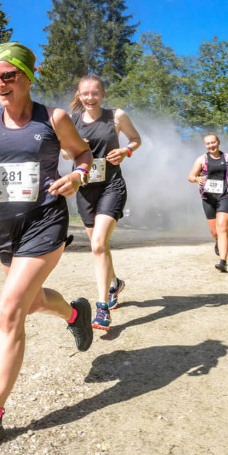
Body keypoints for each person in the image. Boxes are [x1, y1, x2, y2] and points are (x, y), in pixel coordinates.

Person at [0, 42, 94, 455]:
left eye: (7, 76)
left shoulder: (55, 118)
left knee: (9, 309)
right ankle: (74, 313)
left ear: (29, 76)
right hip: (5, 225)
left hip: (46, 219)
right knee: (28, 304)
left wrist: (78, 176)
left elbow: (84, 156)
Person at [67, 74, 142, 331]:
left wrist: (126, 151)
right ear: (79, 94)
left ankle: (102, 310)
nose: (90, 98)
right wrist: (77, 147)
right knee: (100, 247)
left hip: (112, 186)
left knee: (98, 245)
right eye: (85, 93)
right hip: (85, 189)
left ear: (103, 94)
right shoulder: (72, 120)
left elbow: (136, 139)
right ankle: (115, 284)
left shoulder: (116, 116)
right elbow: (65, 152)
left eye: (95, 93)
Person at [187, 133, 228, 272]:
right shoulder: (201, 159)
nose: (211, 145)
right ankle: (217, 242)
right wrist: (197, 179)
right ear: (205, 145)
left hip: (226, 195)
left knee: (222, 228)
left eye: (213, 142)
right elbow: (191, 176)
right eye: (208, 144)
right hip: (208, 198)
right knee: (214, 232)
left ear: (218, 142)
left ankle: (223, 261)